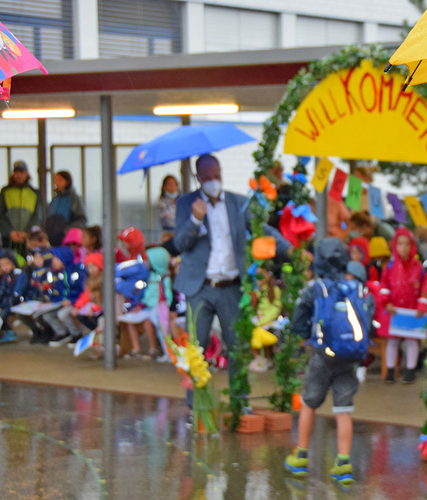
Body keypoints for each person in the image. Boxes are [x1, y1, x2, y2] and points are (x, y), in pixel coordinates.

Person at [174, 154, 290, 409]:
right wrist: (195, 219)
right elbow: (180, 243)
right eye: (207, 178)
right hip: (199, 287)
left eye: (217, 176)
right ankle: (197, 406)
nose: (213, 181)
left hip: (231, 286)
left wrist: (289, 248)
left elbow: (263, 230)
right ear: (198, 179)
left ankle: (240, 402)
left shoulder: (238, 202)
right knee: (196, 349)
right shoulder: (186, 203)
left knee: (237, 346)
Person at [285, 237, 370, 485]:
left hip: (322, 357)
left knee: (309, 403)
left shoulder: (316, 289)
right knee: (344, 409)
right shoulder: (355, 288)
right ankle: (343, 463)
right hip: (349, 357)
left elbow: (298, 324)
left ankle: (300, 456)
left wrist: (304, 338)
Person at [377, 228, 427, 384]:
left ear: (412, 245)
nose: (404, 247)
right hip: (394, 311)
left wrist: (422, 306)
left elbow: (425, 287)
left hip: (411, 312)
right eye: (400, 244)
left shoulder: (418, 267)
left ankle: (410, 370)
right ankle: (390, 371)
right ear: (395, 245)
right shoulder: (389, 266)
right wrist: (386, 303)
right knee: (392, 341)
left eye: (407, 244)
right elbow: (384, 286)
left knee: (411, 340)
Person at [0, 160, 43, 254]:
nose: (19, 175)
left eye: (22, 172)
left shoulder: (35, 193)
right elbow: (0, 215)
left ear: (27, 174)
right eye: (16, 172)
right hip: (9, 238)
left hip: (28, 238)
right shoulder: (5, 191)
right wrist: (10, 232)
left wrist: (26, 232)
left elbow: (37, 216)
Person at [156, 175, 179, 242]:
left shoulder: (180, 201)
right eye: (169, 184)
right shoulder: (161, 202)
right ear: (164, 187)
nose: (172, 187)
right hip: (167, 234)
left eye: (174, 184)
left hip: (179, 233)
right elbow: (169, 219)